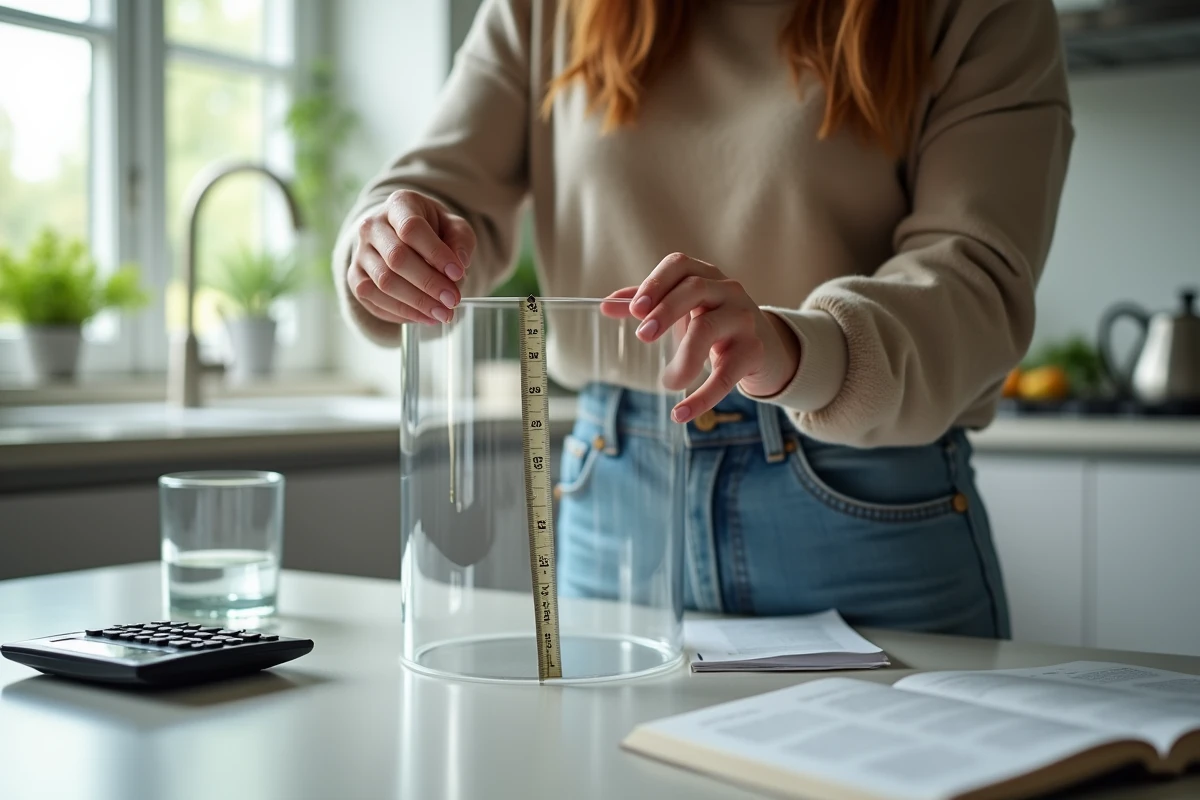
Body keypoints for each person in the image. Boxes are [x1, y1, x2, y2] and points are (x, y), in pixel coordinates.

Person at [331, 0, 1074, 638]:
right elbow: (433, 182)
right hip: (615, 489)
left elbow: (977, 274)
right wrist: (387, 244)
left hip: (867, 497)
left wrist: (794, 347)